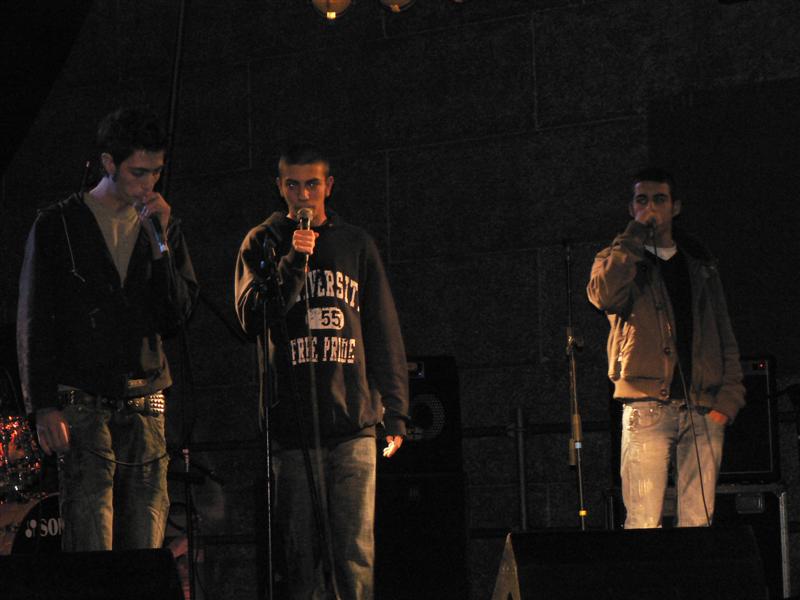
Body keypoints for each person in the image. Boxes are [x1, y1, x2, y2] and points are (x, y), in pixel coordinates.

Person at [17, 106, 198, 551]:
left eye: (156, 172)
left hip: (146, 400)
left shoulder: (163, 227)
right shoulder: (59, 223)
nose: (148, 183)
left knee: (145, 543)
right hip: (82, 400)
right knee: (91, 541)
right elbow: (35, 318)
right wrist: (43, 405)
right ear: (108, 163)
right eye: (138, 172)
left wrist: (160, 244)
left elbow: (176, 315)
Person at [235, 143, 409, 599]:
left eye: (312, 184)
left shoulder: (356, 244)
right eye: (293, 185)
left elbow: (382, 330)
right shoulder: (262, 242)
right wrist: (294, 261)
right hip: (292, 428)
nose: (303, 195)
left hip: (352, 423)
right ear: (280, 187)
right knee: (301, 561)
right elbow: (250, 318)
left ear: (328, 186)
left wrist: (395, 412)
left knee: (355, 555)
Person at [587, 167, 745, 529]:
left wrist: (728, 400)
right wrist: (633, 237)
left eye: (659, 199)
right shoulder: (617, 258)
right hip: (647, 407)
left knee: (698, 523)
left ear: (675, 207)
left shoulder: (699, 264)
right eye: (642, 200)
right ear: (631, 209)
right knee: (643, 522)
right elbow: (604, 296)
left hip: (702, 408)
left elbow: (724, 333)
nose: (651, 207)